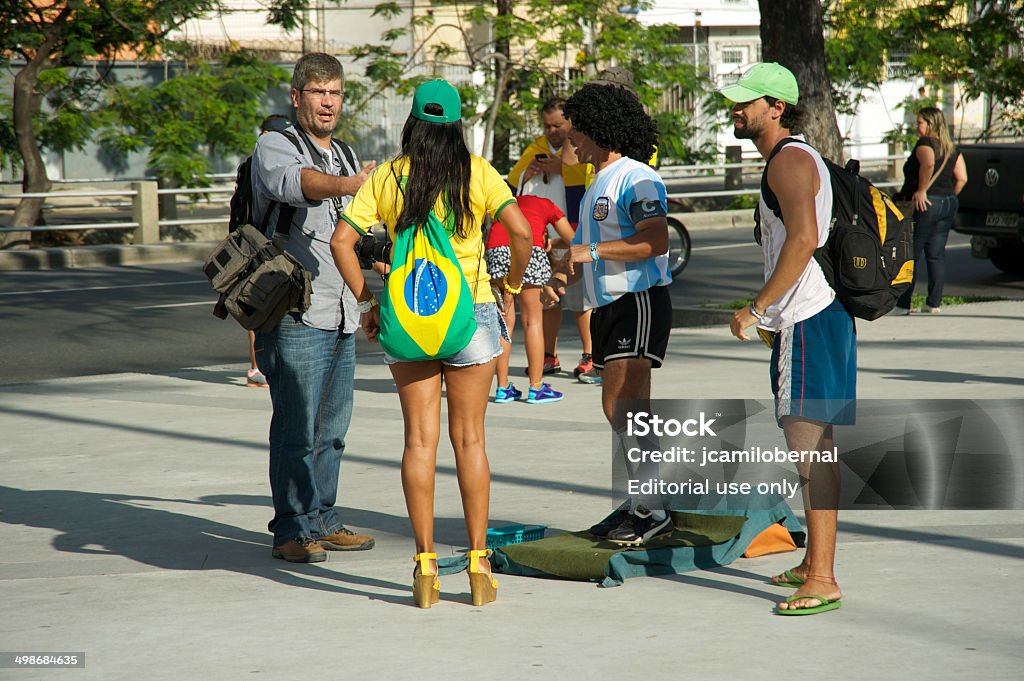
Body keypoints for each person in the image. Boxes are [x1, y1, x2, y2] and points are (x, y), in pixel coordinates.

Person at [330, 80, 533, 608]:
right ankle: (478, 564)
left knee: (419, 441)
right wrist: (508, 287)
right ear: (456, 123)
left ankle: (423, 568)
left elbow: (341, 242)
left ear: (412, 122)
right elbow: (524, 234)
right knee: (470, 441)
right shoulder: (478, 173)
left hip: (409, 316)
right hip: (472, 315)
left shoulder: (390, 176)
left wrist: (368, 304)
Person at [722, 62, 852, 615]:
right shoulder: (788, 159)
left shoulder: (791, 161)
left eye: (747, 101)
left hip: (807, 319)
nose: (736, 108)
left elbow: (802, 240)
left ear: (777, 107)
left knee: (811, 453)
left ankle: (822, 576)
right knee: (811, 447)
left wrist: (758, 309)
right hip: (809, 320)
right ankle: (811, 564)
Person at [250, 53, 377, 563]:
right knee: (297, 428)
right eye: (319, 92)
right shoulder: (276, 145)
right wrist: (347, 185)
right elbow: (292, 185)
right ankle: (290, 529)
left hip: (342, 308)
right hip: (295, 312)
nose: (328, 102)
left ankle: (322, 518)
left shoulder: (344, 152)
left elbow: (355, 229)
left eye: (336, 93)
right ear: (298, 96)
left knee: (333, 429)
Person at [541, 83, 673, 545]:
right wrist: (562, 280)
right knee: (625, 410)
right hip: (608, 307)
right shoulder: (599, 179)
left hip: (638, 301)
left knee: (623, 408)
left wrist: (589, 252)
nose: (571, 136)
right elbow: (583, 253)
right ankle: (645, 498)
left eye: (577, 127)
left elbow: (656, 242)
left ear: (600, 128)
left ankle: (651, 510)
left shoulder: (636, 176)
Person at [508, 98, 596, 380]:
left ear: (569, 123)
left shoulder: (582, 144)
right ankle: (549, 354)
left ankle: (590, 355)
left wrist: (563, 169)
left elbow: (590, 176)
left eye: (558, 124)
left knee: (581, 299)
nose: (552, 131)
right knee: (548, 298)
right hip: (543, 236)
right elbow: (514, 183)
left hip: (572, 230)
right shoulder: (535, 148)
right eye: (547, 126)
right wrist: (528, 172)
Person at [486, 195, 575, 404]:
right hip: (529, 248)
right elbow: (574, 240)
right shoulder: (548, 204)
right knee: (532, 320)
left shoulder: (506, 199)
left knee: (504, 320)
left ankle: (503, 388)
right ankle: (536, 388)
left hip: (495, 250)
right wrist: (550, 242)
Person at [894, 106, 968, 314]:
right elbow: (962, 177)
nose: (916, 127)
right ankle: (933, 303)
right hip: (947, 202)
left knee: (912, 254)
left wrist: (922, 190)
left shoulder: (926, 144)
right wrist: (949, 196)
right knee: (936, 255)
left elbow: (927, 165)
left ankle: (903, 304)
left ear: (931, 124)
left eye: (920, 123)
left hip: (926, 203)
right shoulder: (951, 147)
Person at [244, 114, 291, 388]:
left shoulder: (252, 163)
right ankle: (257, 367)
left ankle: (258, 367)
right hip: (261, 244)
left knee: (260, 308)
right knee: (260, 308)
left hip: (252, 241)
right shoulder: (264, 164)